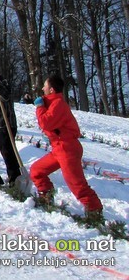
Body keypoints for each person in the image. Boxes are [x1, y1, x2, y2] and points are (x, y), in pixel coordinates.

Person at [30, 74, 103, 221]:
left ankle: (95, 212)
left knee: (76, 184)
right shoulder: (51, 102)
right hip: (58, 148)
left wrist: (39, 107)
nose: (42, 88)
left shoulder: (58, 104)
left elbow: (46, 123)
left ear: (51, 89)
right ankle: (46, 198)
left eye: (45, 85)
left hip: (67, 148)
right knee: (37, 170)